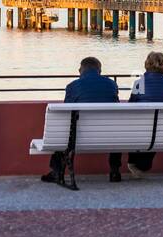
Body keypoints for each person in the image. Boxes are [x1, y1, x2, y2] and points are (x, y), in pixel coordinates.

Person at [42, 56, 122, 185]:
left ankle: (57, 172)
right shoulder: (111, 84)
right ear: (99, 70)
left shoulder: (72, 86)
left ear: (81, 70)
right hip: (109, 136)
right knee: (117, 130)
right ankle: (114, 170)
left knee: (63, 134)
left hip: (79, 138)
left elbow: (66, 112)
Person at [125, 51, 163, 177]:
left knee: (138, 127)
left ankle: (135, 163)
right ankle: (142, 165)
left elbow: (131, 105)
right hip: (162, 128)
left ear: (147, 65)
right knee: (153, 129)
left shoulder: (139, 83)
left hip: (142, 128)